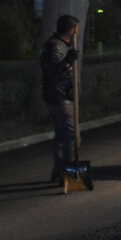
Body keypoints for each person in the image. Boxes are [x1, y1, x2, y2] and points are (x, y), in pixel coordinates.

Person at [40, 14, 80, 185]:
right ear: (72, 30)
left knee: (61, 136)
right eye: (76, 29)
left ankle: (59, 171)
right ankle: (69, 174)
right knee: (68, 137)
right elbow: (54, 72)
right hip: (60, 97)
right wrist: (68, 61)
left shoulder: (61, 45)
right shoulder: (56, 47)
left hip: (61, 96)